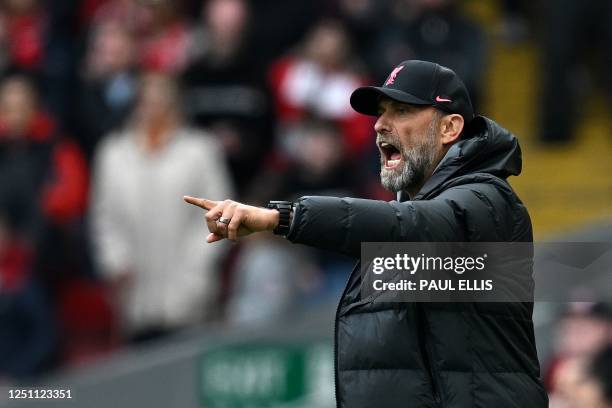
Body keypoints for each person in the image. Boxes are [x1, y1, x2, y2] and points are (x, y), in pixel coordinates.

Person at [184, 60, 548, 407]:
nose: (379, 125)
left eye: (402, 111)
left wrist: (281, 218)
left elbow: (411, 225)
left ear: (449, 129)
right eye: (381, 113)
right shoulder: (411, 217)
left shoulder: (488, 200)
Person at [91, 72, 233, 342]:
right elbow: (105, 217)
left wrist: (197, 271)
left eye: (162, 101)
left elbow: (221, 213)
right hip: (133, 296)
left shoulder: (200, 150)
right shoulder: (113, 153)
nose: (153, 108)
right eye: (147, 101)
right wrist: (116, 261)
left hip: (191, 296)